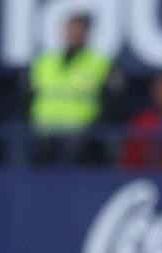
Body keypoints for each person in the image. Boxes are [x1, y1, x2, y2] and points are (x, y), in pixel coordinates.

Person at [27, 13, 115, 165]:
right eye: (70, 29)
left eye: (78, 30)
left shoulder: (99, 62)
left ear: (87, 33)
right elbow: (26, 96)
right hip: (45, 137)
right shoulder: (44, 62)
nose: (74, 34)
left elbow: (112, 101)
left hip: (81, 139)